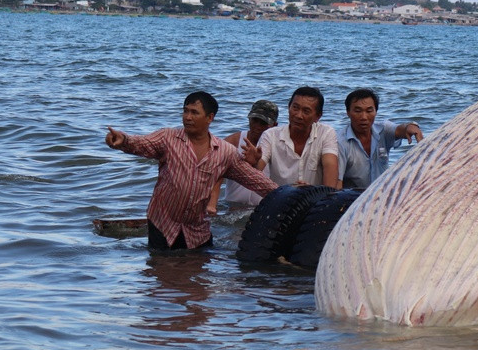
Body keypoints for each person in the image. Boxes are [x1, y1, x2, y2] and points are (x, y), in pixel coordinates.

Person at [105, 91, 278, 251]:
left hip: (197, 230)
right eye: (185, 111)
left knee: (197, 272)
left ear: (210, 118)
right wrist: (123, 140)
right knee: (161, 270)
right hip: (163, 224)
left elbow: (255, 180)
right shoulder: (168, 138)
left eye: (194, 113)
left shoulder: (225, 152)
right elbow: (142, 143)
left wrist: (286, 195)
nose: (188, 117)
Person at [337, 87, 424, 190]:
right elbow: (337, 183)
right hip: (354, 197)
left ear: (376, 112)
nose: (364, 117)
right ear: (348, 112)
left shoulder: (383, 130)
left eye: (369, 111)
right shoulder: (340, 142)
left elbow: (400, 129)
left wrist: (411, 127)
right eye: (358, 111)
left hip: (383, 193)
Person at [255, 86, 339, 187]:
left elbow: (330, 166)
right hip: (280, 195)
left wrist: (319, 194)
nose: (299, 115)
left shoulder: (326, 133)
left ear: (318, 116)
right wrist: (254, 162)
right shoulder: (270, 135)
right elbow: (259, 166)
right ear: (288, 108)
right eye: (295, 108)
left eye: (306, 111)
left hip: (315, 195)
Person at [206, 99, 278, 213]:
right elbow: (216, 174)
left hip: (264, 209)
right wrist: (212, 204)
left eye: (263, 123)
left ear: (274, 125)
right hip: (233, 208)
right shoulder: (233, 142)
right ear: (249, 119)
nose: (257, 126)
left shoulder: (278, 146)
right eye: (255, 120)